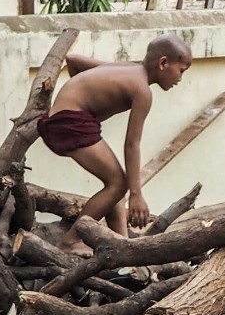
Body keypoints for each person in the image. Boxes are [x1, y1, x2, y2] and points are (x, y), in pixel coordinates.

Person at [39, 37, 192, 252]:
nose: (180, 79)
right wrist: (137, 195)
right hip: (68, 124)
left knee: (115, 184)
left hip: (60, 120)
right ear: (163, 63)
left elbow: (73, 59)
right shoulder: (142, 91)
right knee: (118, 184)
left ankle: (121, 244)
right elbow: (132, 144)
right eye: (181, 71)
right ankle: (71, 240)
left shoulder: (127, 69)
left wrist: (88, 92)